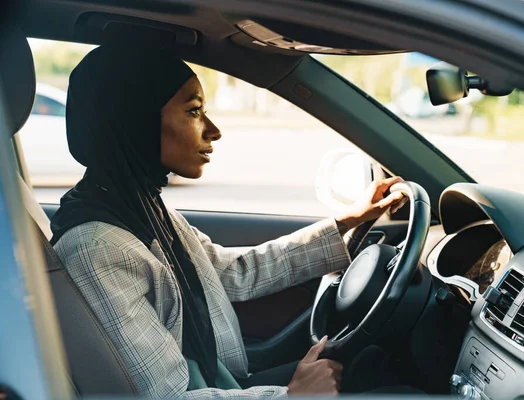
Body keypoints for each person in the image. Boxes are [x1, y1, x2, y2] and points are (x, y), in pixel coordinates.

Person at [50, 42, 406, 398]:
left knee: (370, 363)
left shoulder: (143, 209)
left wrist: (345, 222)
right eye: (193, 111)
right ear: (136, 120)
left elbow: (231, 273)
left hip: (219, 381)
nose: (213, 130)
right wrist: (291, 396)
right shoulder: (98, 248)